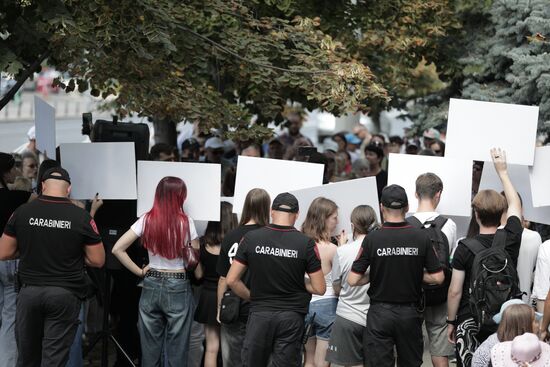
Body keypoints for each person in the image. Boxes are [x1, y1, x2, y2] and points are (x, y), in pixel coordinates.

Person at [0, 166, 105, 366]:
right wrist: (69, 255)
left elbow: (3, 252)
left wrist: (31, 251)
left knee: (27, 358)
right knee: (54, 359)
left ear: (42, 186)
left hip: (29, 293)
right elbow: (97, 260)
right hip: (65, 294)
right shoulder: (81, 217)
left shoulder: (22, 212)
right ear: (68, 189)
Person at [349, 184, 444, 367]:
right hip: (409, 314)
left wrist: (375, 274)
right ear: (407, 207)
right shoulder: (421, 237)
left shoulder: (372, 239)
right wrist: (415, 273)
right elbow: (438, 278)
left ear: (381, 207)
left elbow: (353, 280)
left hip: (379, 314)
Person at [226, 192, 326, 366]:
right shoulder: (306, 243)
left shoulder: (251, 239)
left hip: (260, 313)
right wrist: (295, 279)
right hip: (291, 317)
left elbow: (231, 280)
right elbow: (320, 288)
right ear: (296, 214)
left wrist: (251, 296)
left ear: (272, 211)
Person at [112, 176, 201, 366]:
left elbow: (117, 248)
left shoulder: (147, 219)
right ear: (179, 196)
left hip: (151, 283)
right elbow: (194, 259)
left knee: (150, 350)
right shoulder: (186, 222)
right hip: (178, 284)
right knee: (177, 350)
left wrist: (139, 271)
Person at [447, 148, 523, 367]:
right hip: (505, 319)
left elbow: (455, 291)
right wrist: (503, 172)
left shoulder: (464, 247)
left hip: (469, 319)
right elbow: (515, 205)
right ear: (502, 213)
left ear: (476, 214)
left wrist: (451, 321)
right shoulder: (511, 237)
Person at [216, 188, 271, 367]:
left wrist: (219, 308)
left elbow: (224, 278)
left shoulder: (230, 236)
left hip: (233, 306)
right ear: (266, 208)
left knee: (232, 360)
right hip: (261, 306)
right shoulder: (269, 236)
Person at [411, 173, 458, 367]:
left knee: (409, 352)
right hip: (440, 295)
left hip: (411, 296)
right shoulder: (450, 225)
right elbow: (451, 261)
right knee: (440, 354)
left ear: (415, 194)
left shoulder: (405, 224)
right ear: (438, 194)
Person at [326, 205, 379, 367]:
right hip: (375, 317)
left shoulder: (342, 252)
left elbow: (336, 286)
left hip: (347, 317)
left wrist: (342, 247)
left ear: (353, 225)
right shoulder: (380, 248)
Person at [0, 152, 34, 367]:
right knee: (11, 316)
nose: (15, 172)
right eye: (12, 168)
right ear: (4, 172)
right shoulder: (17, 198)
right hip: (9, 258)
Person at [195, 201, 238, 367]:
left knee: (211, 348)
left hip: (207, 296)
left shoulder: (203, 244)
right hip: (230, 298)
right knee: (231, 348)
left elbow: (198, 275)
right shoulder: (235, 247)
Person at [302, 197, 340, 367]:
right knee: (323, 361)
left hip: (304, 304)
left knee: (308, 359)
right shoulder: (332, 249)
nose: (337, 221)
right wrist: (343, 247)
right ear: (323, 219)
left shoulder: (301, 243)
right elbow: (340, 279)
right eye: (334, 217)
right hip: (327, 304)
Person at [472, 300, 541, 367]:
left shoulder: (513, 340)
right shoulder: (497, 351)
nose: (539, 325)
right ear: (523, 325)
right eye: (535, 321)